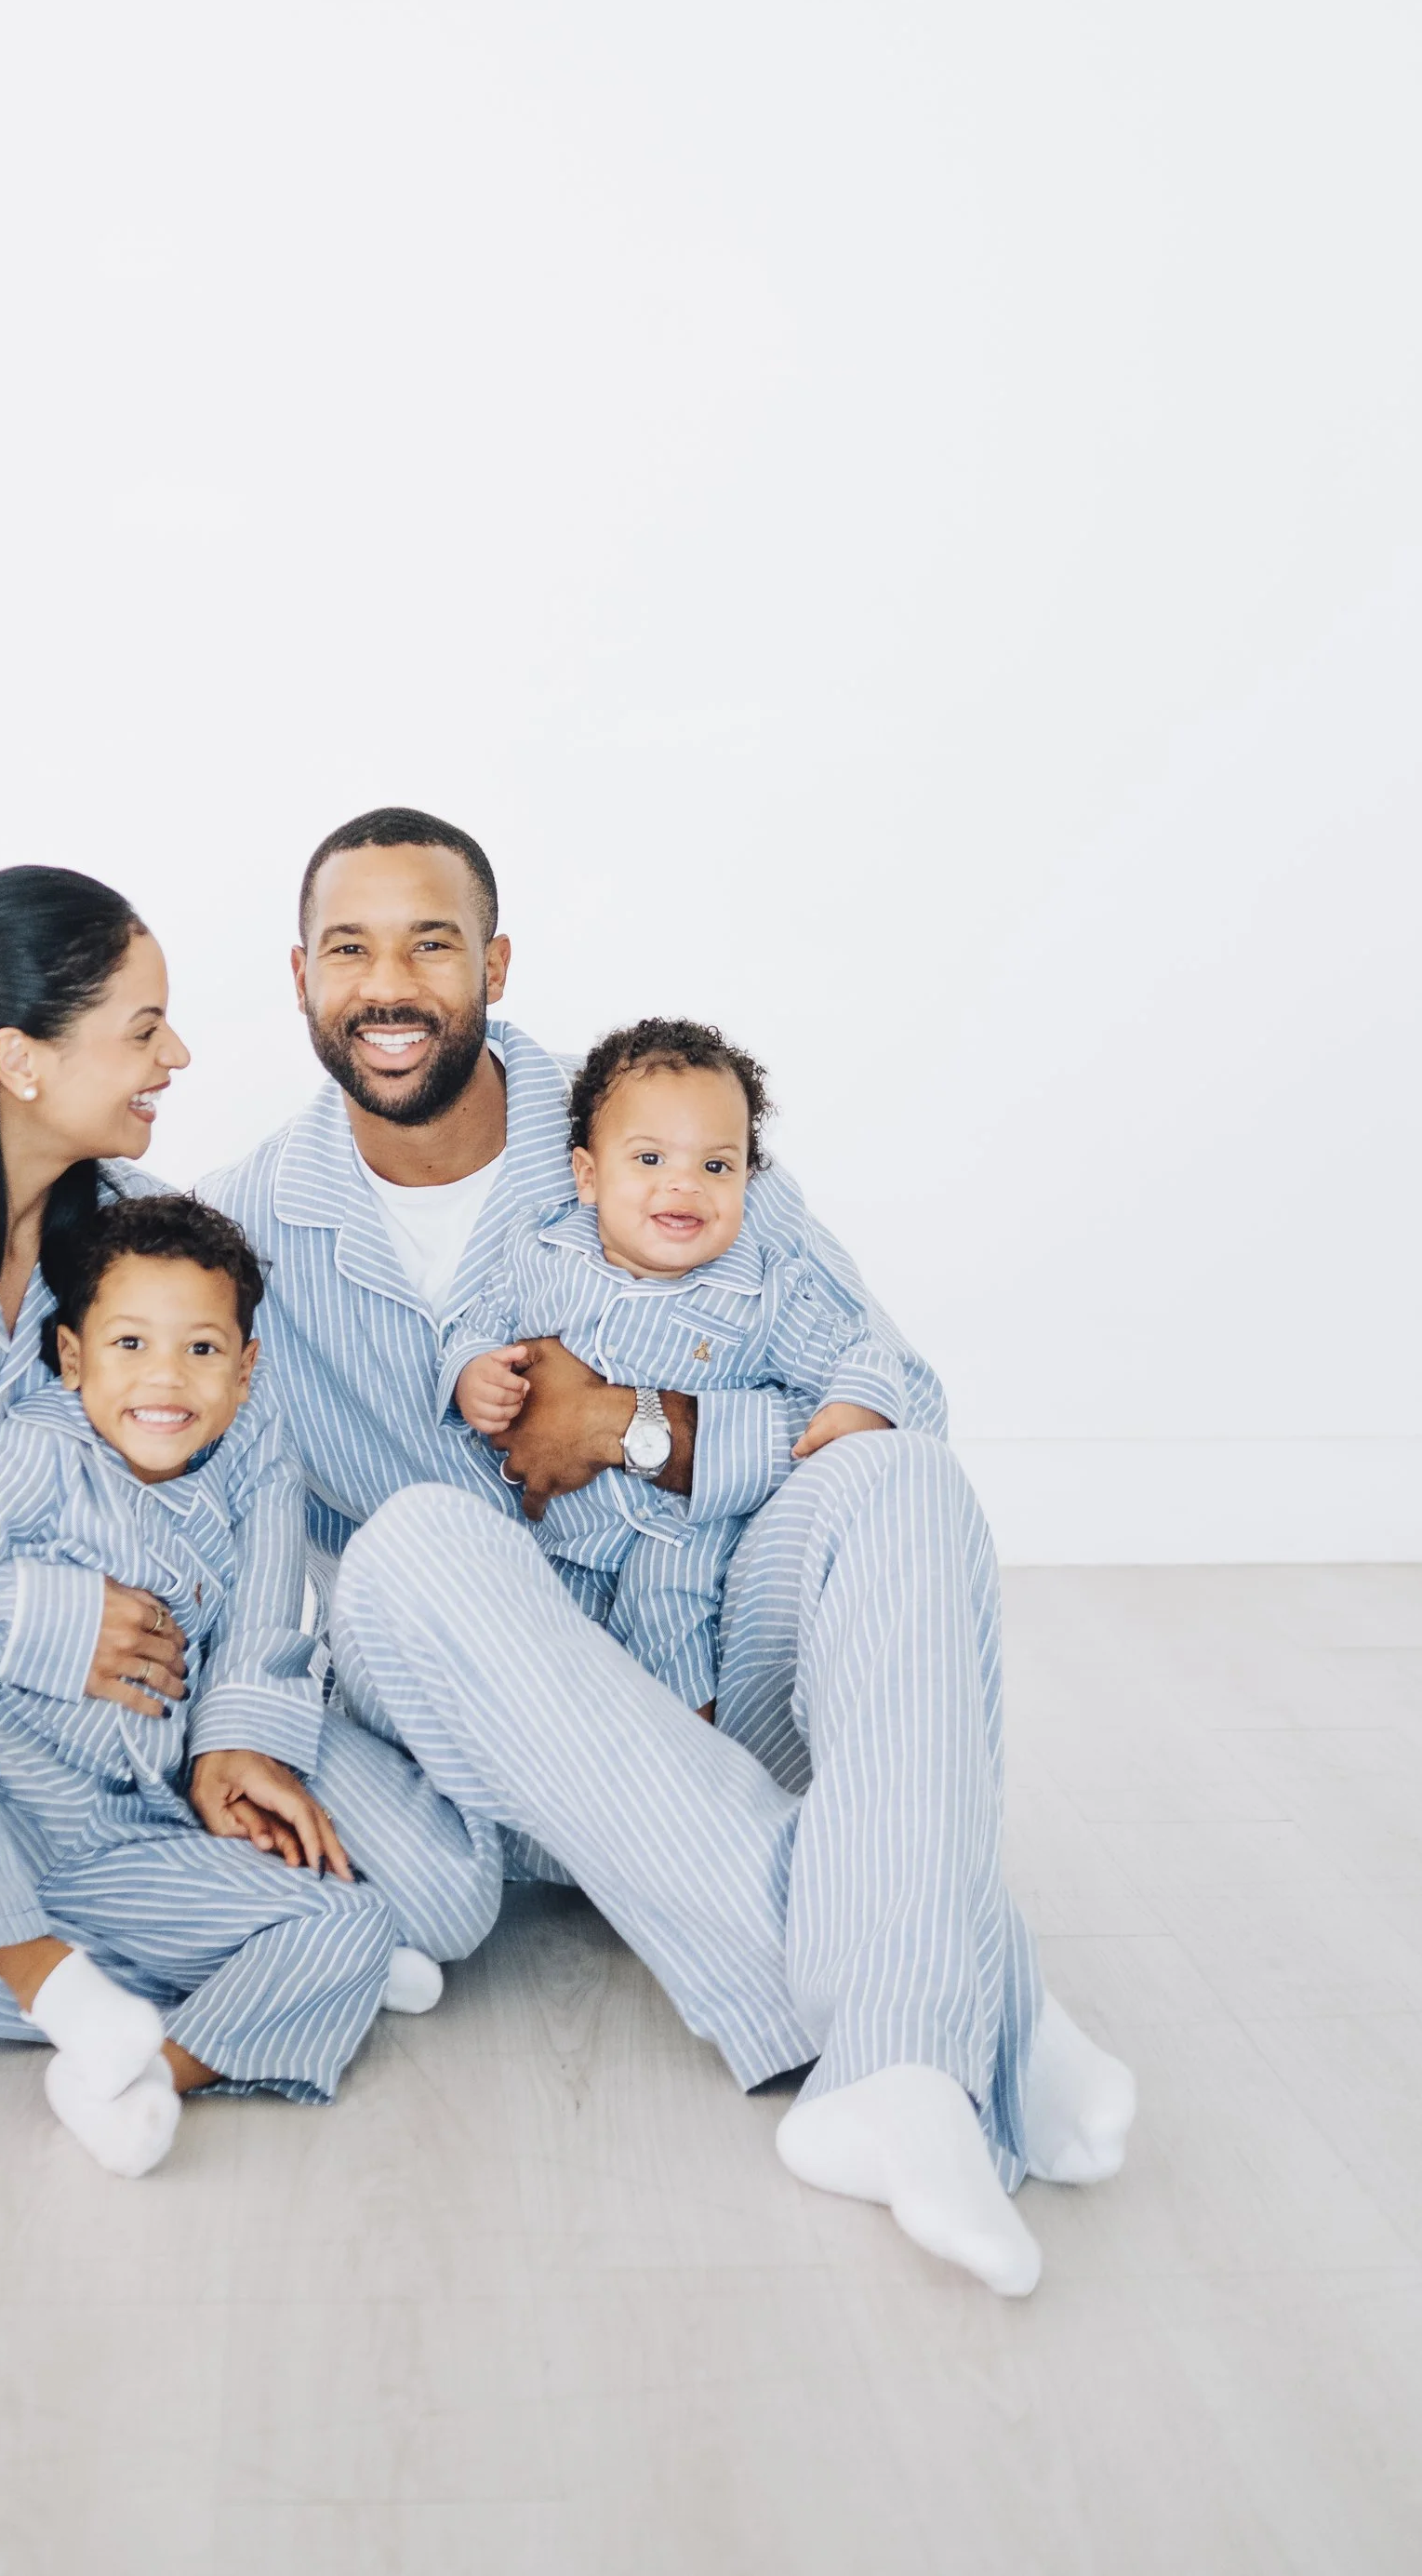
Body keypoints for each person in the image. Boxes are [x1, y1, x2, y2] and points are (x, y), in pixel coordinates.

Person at [206, 805, 1136, 2298]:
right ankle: (973, 2006)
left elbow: (894, 1384)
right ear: (301, 978)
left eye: (431, 942)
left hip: (712, 1666)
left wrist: (648, 1426)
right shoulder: (250, 1223)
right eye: (351, 947)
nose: (391, 982)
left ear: (493, 961)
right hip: (483, 1723)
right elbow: (238, 1504)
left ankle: (897, 2069)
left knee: (901, 1484)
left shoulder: (661, 1120)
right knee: (419, 1540)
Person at [0, 862, 493, 2092]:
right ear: (23, 1061)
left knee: (444, 1897)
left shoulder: (153, 1241)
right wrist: (33, 1627)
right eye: (142, 1027)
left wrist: (237, 1737)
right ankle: (191, 1984)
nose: (175, 1054)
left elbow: (262, 1489)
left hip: (183, 1704)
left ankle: (191, 1939)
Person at [0, 1195, 455, 2175]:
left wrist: (240, 1748)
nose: (164, 1378)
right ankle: (57, 1990)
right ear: (72, 1359)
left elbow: (264, 1632)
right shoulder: (41, 1448)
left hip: (121, 1835)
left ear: (245, 1367)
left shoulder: (253, 1468)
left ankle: (138, 2075)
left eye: (199, 1350)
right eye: (131, 1343)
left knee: (351, 1921)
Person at [443, 1016, 923, 1715]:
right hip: (557, 1535)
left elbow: (859, 1348)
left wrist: (859, 1404)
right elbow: (477, 1322)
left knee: (669, 1609)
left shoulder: (761, 1290)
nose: (685, 1186)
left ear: (747, 1183)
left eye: (716, 1166)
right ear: (588, 1175)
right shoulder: (541, 1254)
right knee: (534, 1639)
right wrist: (471, 1369)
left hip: (686, 1533)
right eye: (649, 1161)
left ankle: (695, 1760)